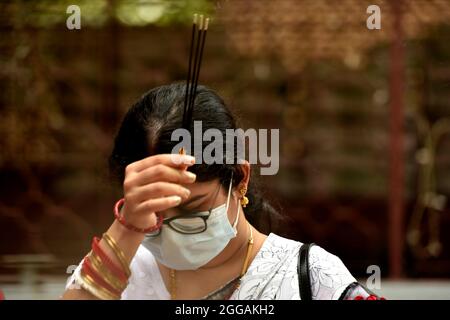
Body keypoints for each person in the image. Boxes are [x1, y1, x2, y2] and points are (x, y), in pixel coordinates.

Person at [62, 83, 382, 300]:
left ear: (239, 178)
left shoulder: (310, 278)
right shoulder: (119, 276)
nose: (172, 229)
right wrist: (128, 227)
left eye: (193, 208)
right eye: (153, 212)